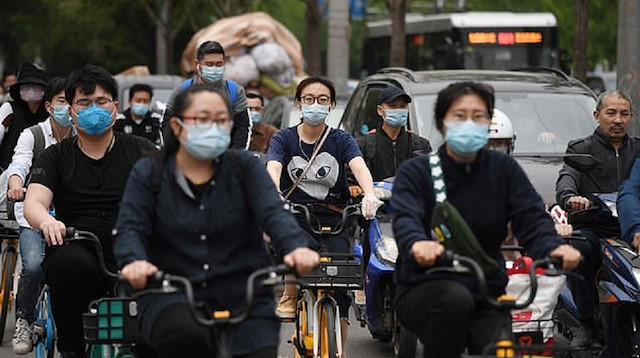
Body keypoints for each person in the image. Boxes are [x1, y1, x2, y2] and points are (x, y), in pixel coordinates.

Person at [114, 84, 319, 358]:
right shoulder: (149, 172)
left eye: (221, 120)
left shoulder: (244, 167)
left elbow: (273, 212)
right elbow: (130, 227)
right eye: (202, 119)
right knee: (187, 338)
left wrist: (295, 247)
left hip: (244, 293)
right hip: (170, 292)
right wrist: (134, 262)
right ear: (176, 126)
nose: (213, 127)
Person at [392, 81, 581, 358]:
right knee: (455, 301)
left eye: (478, 116)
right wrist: (418, 244)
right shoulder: (417, 172)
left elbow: (530, 217)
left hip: (486, 289)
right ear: (441, 121)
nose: (469, 123)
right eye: (459, 115)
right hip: (426, 287)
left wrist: (553, 246)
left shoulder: (504, 170)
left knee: (501, 350)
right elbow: (406, 218)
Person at [23, 65, 157, 358]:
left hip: (134, 243)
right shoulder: (56, 155)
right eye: (84, 102)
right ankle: (72, 349)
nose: (93, 108)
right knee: (70, 267)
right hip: (78, 242)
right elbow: (34, 201)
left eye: (101, 101)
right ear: (71, 110)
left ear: (115, 107)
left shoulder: (142, 149)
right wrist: (47, 221)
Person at [266, 76, 380, 356]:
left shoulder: (341, 139)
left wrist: (369, 194)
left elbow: (360, 167)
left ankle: (337, 350)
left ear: (331, 106)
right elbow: (273, 169)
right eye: (309, 99)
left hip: (335, 216)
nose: (315, 104)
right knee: (296, 247)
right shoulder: (283, 138)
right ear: (298, 103)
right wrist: (273, 197)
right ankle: (290, 292)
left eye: (322, 100)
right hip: (294, 213)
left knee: (340, 282)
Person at [555, 89, 640, 349]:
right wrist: (570, 197)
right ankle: (587, 320)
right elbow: (567, 177)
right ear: (597, 115)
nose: (617, 120)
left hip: (631, 230)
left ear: (631, 117)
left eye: (624, 114)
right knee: (578, 248)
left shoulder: (638, 149)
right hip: (594, 228)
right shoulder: (581, 149)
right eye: (611, 113)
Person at [6, 77, 75, 355]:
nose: (68, 107)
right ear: (49, 106)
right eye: (62, 101)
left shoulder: (85, 136)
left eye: (73, 101)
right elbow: (19, 164)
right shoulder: (32, 135)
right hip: (34, 217)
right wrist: (15, 186)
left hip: (71, 217)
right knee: (33, 265)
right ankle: (25, 318)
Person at [165, 40, 251, 149]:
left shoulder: (235, 91)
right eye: (209, 64)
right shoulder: (183, 90)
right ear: (198, 64)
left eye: (218, 64)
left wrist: (234, 157)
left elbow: (242, 128)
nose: (214, 69)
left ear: (224, 64)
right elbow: (168, 124)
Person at [357, 86, 431, 181]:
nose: (398, 110)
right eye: (392, 106)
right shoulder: (363, 145)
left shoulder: (421, 145)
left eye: (402, 106)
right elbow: (352, 179)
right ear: (380, 110)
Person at [0, 63, 49, 169]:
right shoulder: (9, 108)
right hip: (8, 171)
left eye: (36, 87)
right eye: (26, 87)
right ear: (19, 89)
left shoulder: (48, 113)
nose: (31, 91)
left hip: (40, 173)